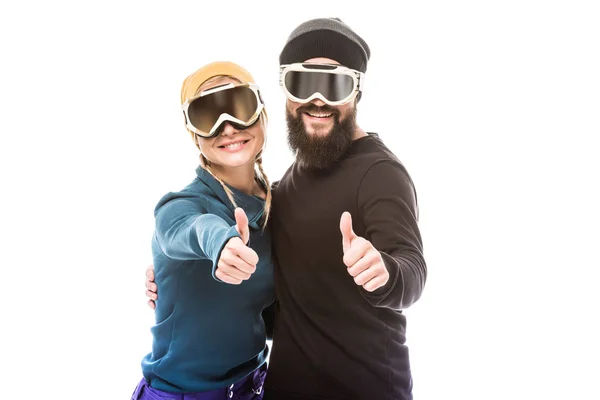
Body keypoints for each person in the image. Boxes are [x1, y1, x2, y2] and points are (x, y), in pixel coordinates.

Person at [147, 18, 427, 400]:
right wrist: (179, 276)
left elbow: (412, 266)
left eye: (334, 85)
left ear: (356, 92)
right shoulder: (283, 188)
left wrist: (386, 272)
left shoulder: (379, 173)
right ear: (284, 93)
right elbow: (189, 227)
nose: (318, 101)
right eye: (302, 83)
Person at [132, 61, 276, 400]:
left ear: (262, 113)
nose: (227, 127)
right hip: (181, 393)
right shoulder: (181, 204)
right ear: (194, 133)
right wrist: (222, 243)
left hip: (253, 384)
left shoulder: (278, 205)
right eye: (207, 115)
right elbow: (188, 229)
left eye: (239, 107)